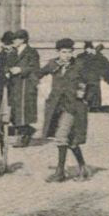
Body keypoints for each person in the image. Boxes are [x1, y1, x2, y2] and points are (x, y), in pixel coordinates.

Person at [39, 38, 89, 181]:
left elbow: (89, 82)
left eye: (69, 52)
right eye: (63, 52)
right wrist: (42, 90)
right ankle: (83, 167)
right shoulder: (53, 64)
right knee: (71, 140)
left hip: (73, 107)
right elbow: (37, 74)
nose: (67, 55)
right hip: (57, 107)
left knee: (61, 137)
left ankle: (60, 172)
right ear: (58, 52)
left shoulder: (79, 65)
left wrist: (82, 94)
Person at [4, 29, 40, 147]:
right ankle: (28, 131)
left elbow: (34, 67)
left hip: (25, 85)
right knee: (14, 113)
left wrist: (21, 70)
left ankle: (24, 137)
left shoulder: (31, 52)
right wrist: (8, 71)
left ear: (23, 40)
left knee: (23, 112)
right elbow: (7, 65)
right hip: (14, 85)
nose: (14, 41)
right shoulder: (13, 52)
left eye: (16, 39)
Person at [81, 41, 109, 112]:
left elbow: (107, 67)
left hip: (93, 79)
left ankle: (93, 106)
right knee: (91, 90)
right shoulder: (85, 57)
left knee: (94, 90)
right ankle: (92, 106)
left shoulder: (99, 57)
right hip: (88, 80)